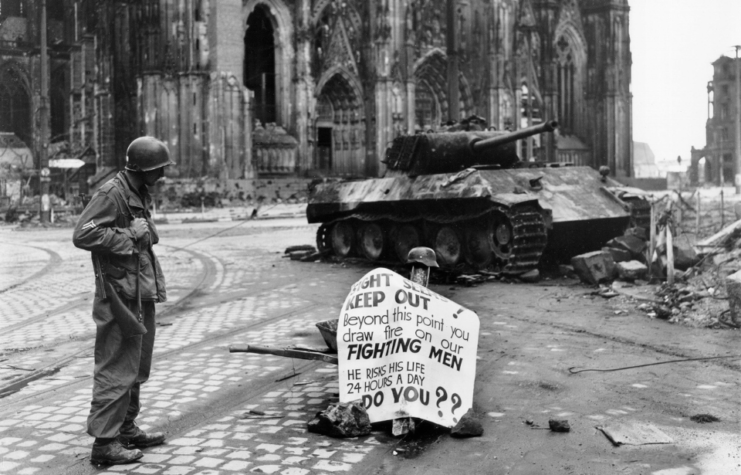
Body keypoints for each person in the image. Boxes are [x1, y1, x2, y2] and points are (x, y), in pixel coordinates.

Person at [73, 136, 174, 465]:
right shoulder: (111, 193)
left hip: (138, 289)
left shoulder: (137, 191)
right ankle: (104, 443)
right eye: (158, 170)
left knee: (137, 365)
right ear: (143, 169)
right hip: (118, 294)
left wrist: (143, 231)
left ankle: (126, 428)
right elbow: (83, 234)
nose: (161, 176)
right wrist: (130, 234)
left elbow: (148, 234)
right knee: (116, 366)